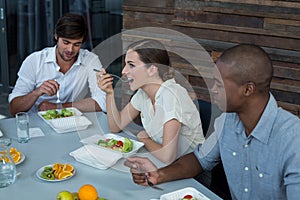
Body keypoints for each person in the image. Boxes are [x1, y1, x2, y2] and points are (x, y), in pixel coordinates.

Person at [124, 44, 300, 199]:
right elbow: (199, 160)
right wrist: (157, 175)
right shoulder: (227, 120)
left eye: (219, 84)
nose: (213, 90)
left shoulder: (293, 140)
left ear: (247, 89)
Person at [97, 39, 205, 164]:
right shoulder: (143, 94)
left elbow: (167, 156)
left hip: (192, 171)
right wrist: (109, 93)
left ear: (152, 69)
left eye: (131, 65)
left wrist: (145, 139)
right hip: (164, 164)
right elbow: (116, 126)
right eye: (125, 64)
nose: (124, 71)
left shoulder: (172, 96)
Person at [9, 13, 106, 115]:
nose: (70, 50)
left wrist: (58, 107)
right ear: (56, 36)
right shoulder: (34, 61)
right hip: (37, 123)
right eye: (66, 42)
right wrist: (36, 92)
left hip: (74, 122)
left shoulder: (91, 60)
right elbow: (14, 109)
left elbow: (103, 102)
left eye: (77, 44)